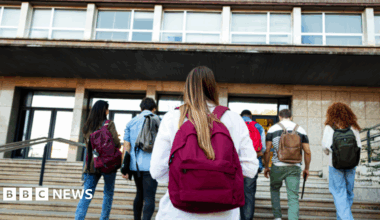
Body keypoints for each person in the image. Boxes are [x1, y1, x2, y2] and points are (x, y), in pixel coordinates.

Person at [150, 66, 259, 220]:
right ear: (213, 88)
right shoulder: (234, 119)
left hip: (177, 212)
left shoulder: (172, 117)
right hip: (224, 212)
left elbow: (157, 171)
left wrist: (188, 181)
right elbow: (250, 168)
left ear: (188, 88)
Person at [75, 100, 121, 220]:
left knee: (86, 195)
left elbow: (88, 147)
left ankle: (78, 218)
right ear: (104, 110)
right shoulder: (109, 124)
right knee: (108, 193)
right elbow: (116, 143)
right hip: (108, 164)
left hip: (91, 165)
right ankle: (104, 218)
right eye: (107, 109)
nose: (108, 111)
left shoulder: (87, 126)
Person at [264, 109, 311, 220]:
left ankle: (277, 217)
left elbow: (267, 150)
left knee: (274, 189)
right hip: (295, 167)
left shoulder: (272, 129)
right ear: (291, 116)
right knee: (293, 196)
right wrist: (307, 168)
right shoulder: (301, 130)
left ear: (279, 116)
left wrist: (266, 166)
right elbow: (307, 151)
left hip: (277, 166)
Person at [321, 102, 362, 220]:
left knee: (339, 193)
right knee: (348, 193)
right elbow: (359, 145)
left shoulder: (330, 127)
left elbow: (325, 146)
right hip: (351, 164)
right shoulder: (353, 126)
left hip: (335, 165)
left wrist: (329, 153)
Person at [121, 97, 160, 220]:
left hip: (135, 165)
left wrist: (124, 167)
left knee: (139, 194)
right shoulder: (158, 120)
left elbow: (126, 146)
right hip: (151, 166)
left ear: (141, 108)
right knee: (149, 197)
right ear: (154, 109)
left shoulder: (131, 122)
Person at [240, 110, 266, 220]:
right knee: (249, 196)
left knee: (234, 194)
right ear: (251, 116)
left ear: (241, 116)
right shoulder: (258, 127)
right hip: (252, 166)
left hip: (235, 166)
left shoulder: (235, 124)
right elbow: (263, 149)